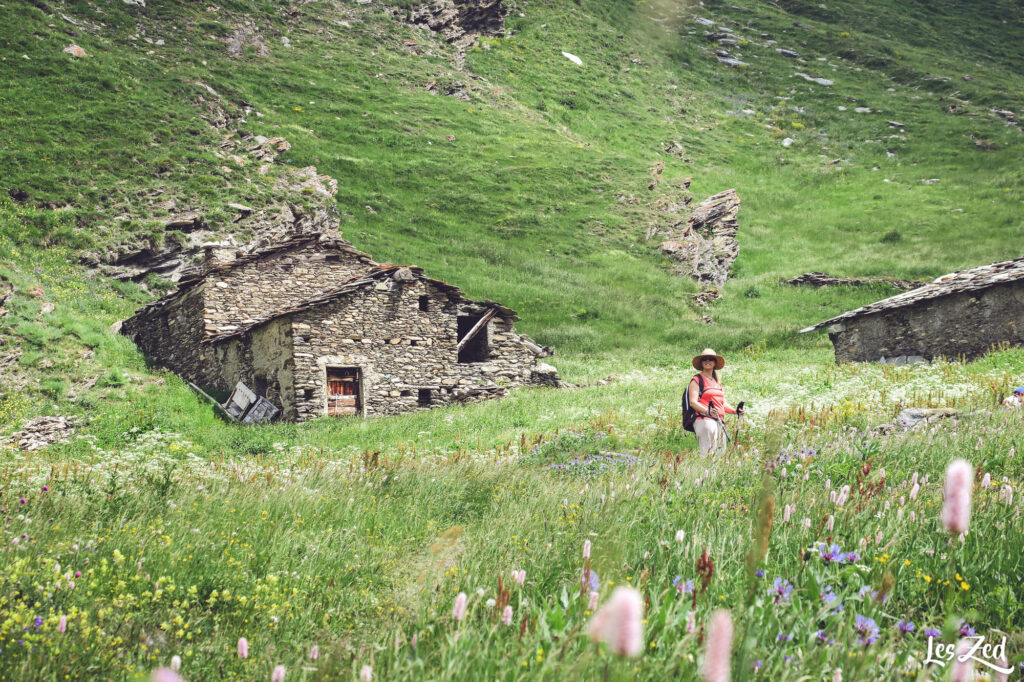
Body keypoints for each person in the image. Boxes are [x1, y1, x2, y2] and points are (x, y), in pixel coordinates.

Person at [688, 348, 742, 456]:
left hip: (719, 421)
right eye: (705, 359)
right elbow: (692, 402)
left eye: (711, 359)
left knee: (720, 454)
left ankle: (713, 473)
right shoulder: (697, 379)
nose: (708, 361)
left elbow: (722, 403)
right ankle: (703, 473)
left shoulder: (717, 382)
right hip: (704, 420)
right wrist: (708, 411)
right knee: (708, 454)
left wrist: (735, 411)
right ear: (701, 362)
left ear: (715, 363)